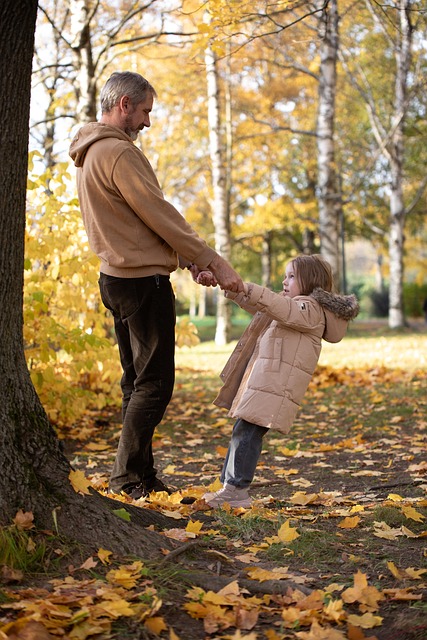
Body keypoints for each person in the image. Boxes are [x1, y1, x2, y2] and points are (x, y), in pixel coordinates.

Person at [69, 71, 243, 500]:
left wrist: (183, 260)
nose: (148, 121)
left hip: (117, 278)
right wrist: (212, 260)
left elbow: (135, 225)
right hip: (141, 284)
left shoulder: (90, 152)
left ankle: (140, 477)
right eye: (145, 110)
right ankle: (126, 477)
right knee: (155, 385)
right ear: (124, 104)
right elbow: (159, 215)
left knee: (136, 383)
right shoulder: (118, 153)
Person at [202, 254, 359, 509]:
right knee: (242, 431)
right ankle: (229, 488)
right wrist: (230, 286)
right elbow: (263, 306)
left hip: (274, 386)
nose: (284, 281)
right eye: (285, 275)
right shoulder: (294, 305)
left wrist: (246, 287)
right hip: (266, 383)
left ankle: (237, 491)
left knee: (247, 433)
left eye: (292, 276)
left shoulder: (309, 309)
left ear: (311, 280)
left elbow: (278, 306)